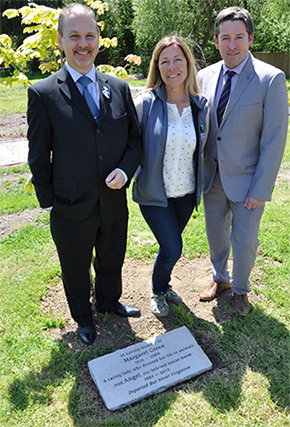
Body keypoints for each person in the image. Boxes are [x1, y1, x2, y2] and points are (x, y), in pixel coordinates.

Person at [27, 3, 142, 344]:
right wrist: (49, 201)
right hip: (70, 205)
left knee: (111, 258)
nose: (83, 43)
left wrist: (125, 169)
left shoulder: (118, 88)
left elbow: (134, 139)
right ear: (61, 41)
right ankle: (83, 318)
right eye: (74, 36)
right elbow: (37, 155)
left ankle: (108, 302)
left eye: (89, 35)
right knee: (75, 268)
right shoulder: (43, 93)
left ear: (99, 39)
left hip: (112, 200)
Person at [198, 6, 288, 316]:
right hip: (213, 178)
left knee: (246, 240)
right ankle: (220, 279)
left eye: (238, 37)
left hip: (249, 180)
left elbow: (274, 139)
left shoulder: (270, 78)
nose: (232, 45)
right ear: (216, 40)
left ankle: (240, 288)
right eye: (225, 38)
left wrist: (261, 188)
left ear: (250, 39)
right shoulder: (204, 76)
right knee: (215, 237)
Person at [133, 35, 208, 317]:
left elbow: (204, 148)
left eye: (178, 59)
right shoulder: (146, 104)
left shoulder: (201, 106)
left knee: (170, 248)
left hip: (186, 193)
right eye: (165, 61)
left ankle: (164, 286)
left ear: (188, 64)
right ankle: (157, 291)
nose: (172, 66)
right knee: (172, 248)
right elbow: (131, 145)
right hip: (154, 194)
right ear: (157, 67)